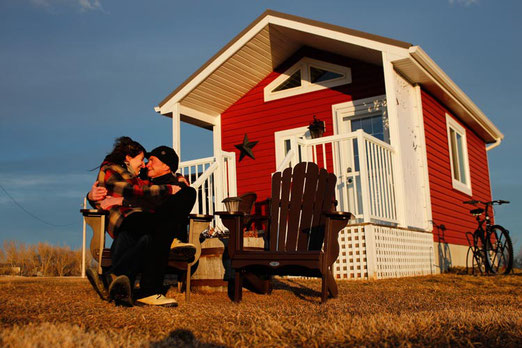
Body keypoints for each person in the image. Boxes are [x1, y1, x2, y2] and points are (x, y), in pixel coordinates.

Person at [86, 137, 195, 307]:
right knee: (140, 233)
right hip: (134, 223)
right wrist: (91, 196)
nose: (146, 164)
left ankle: (113, 279)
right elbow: (125, 189)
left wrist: (122, 201)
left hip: (145, 225)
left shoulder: (175, 187)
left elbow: (143, 196)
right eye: (144, 160)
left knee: (187, 195)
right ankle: (131, 288)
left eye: (151, 160)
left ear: (166, 166)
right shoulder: (140, 176)